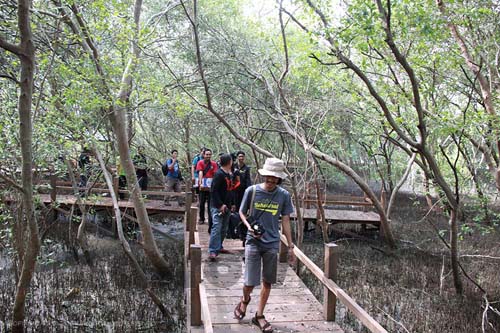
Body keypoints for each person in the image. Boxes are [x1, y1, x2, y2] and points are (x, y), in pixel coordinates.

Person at [234, 158, 295, 333]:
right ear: (264, 175)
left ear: (279, 179)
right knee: (249, 282)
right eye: (268, 177)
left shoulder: (283, 195)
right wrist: (248, 227)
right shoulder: (251, 191)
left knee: (267, 281)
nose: (270, 181)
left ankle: (259, 315)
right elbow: (241, 212)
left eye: (274, 178)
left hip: (272, 243)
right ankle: (245, 300)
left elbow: (285, 220)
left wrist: (290, 246)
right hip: (253, 241)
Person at [208, 153, 234, 261]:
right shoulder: (218, 174)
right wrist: (220, 205)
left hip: (227, 206)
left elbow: (230, 190)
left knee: (224, 228)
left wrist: (232, 204)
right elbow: (214, 191)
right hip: (217, 206)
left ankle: (219, 246)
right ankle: (213, 250)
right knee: (217, 227)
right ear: (229, 162)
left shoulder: (229, 174)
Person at [196, 149, 218, 229]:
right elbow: (200, 172)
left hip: (211, 186)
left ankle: (210, 220)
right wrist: (200, 183)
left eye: (209, 154)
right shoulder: (200, 162)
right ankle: (201, 218)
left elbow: (215, 174)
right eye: (207, 154)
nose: (208, 156)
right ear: (203, 155)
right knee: (201, 203)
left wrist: (215, 185)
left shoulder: (214, 164)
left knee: (210, 204)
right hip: (203, 185)